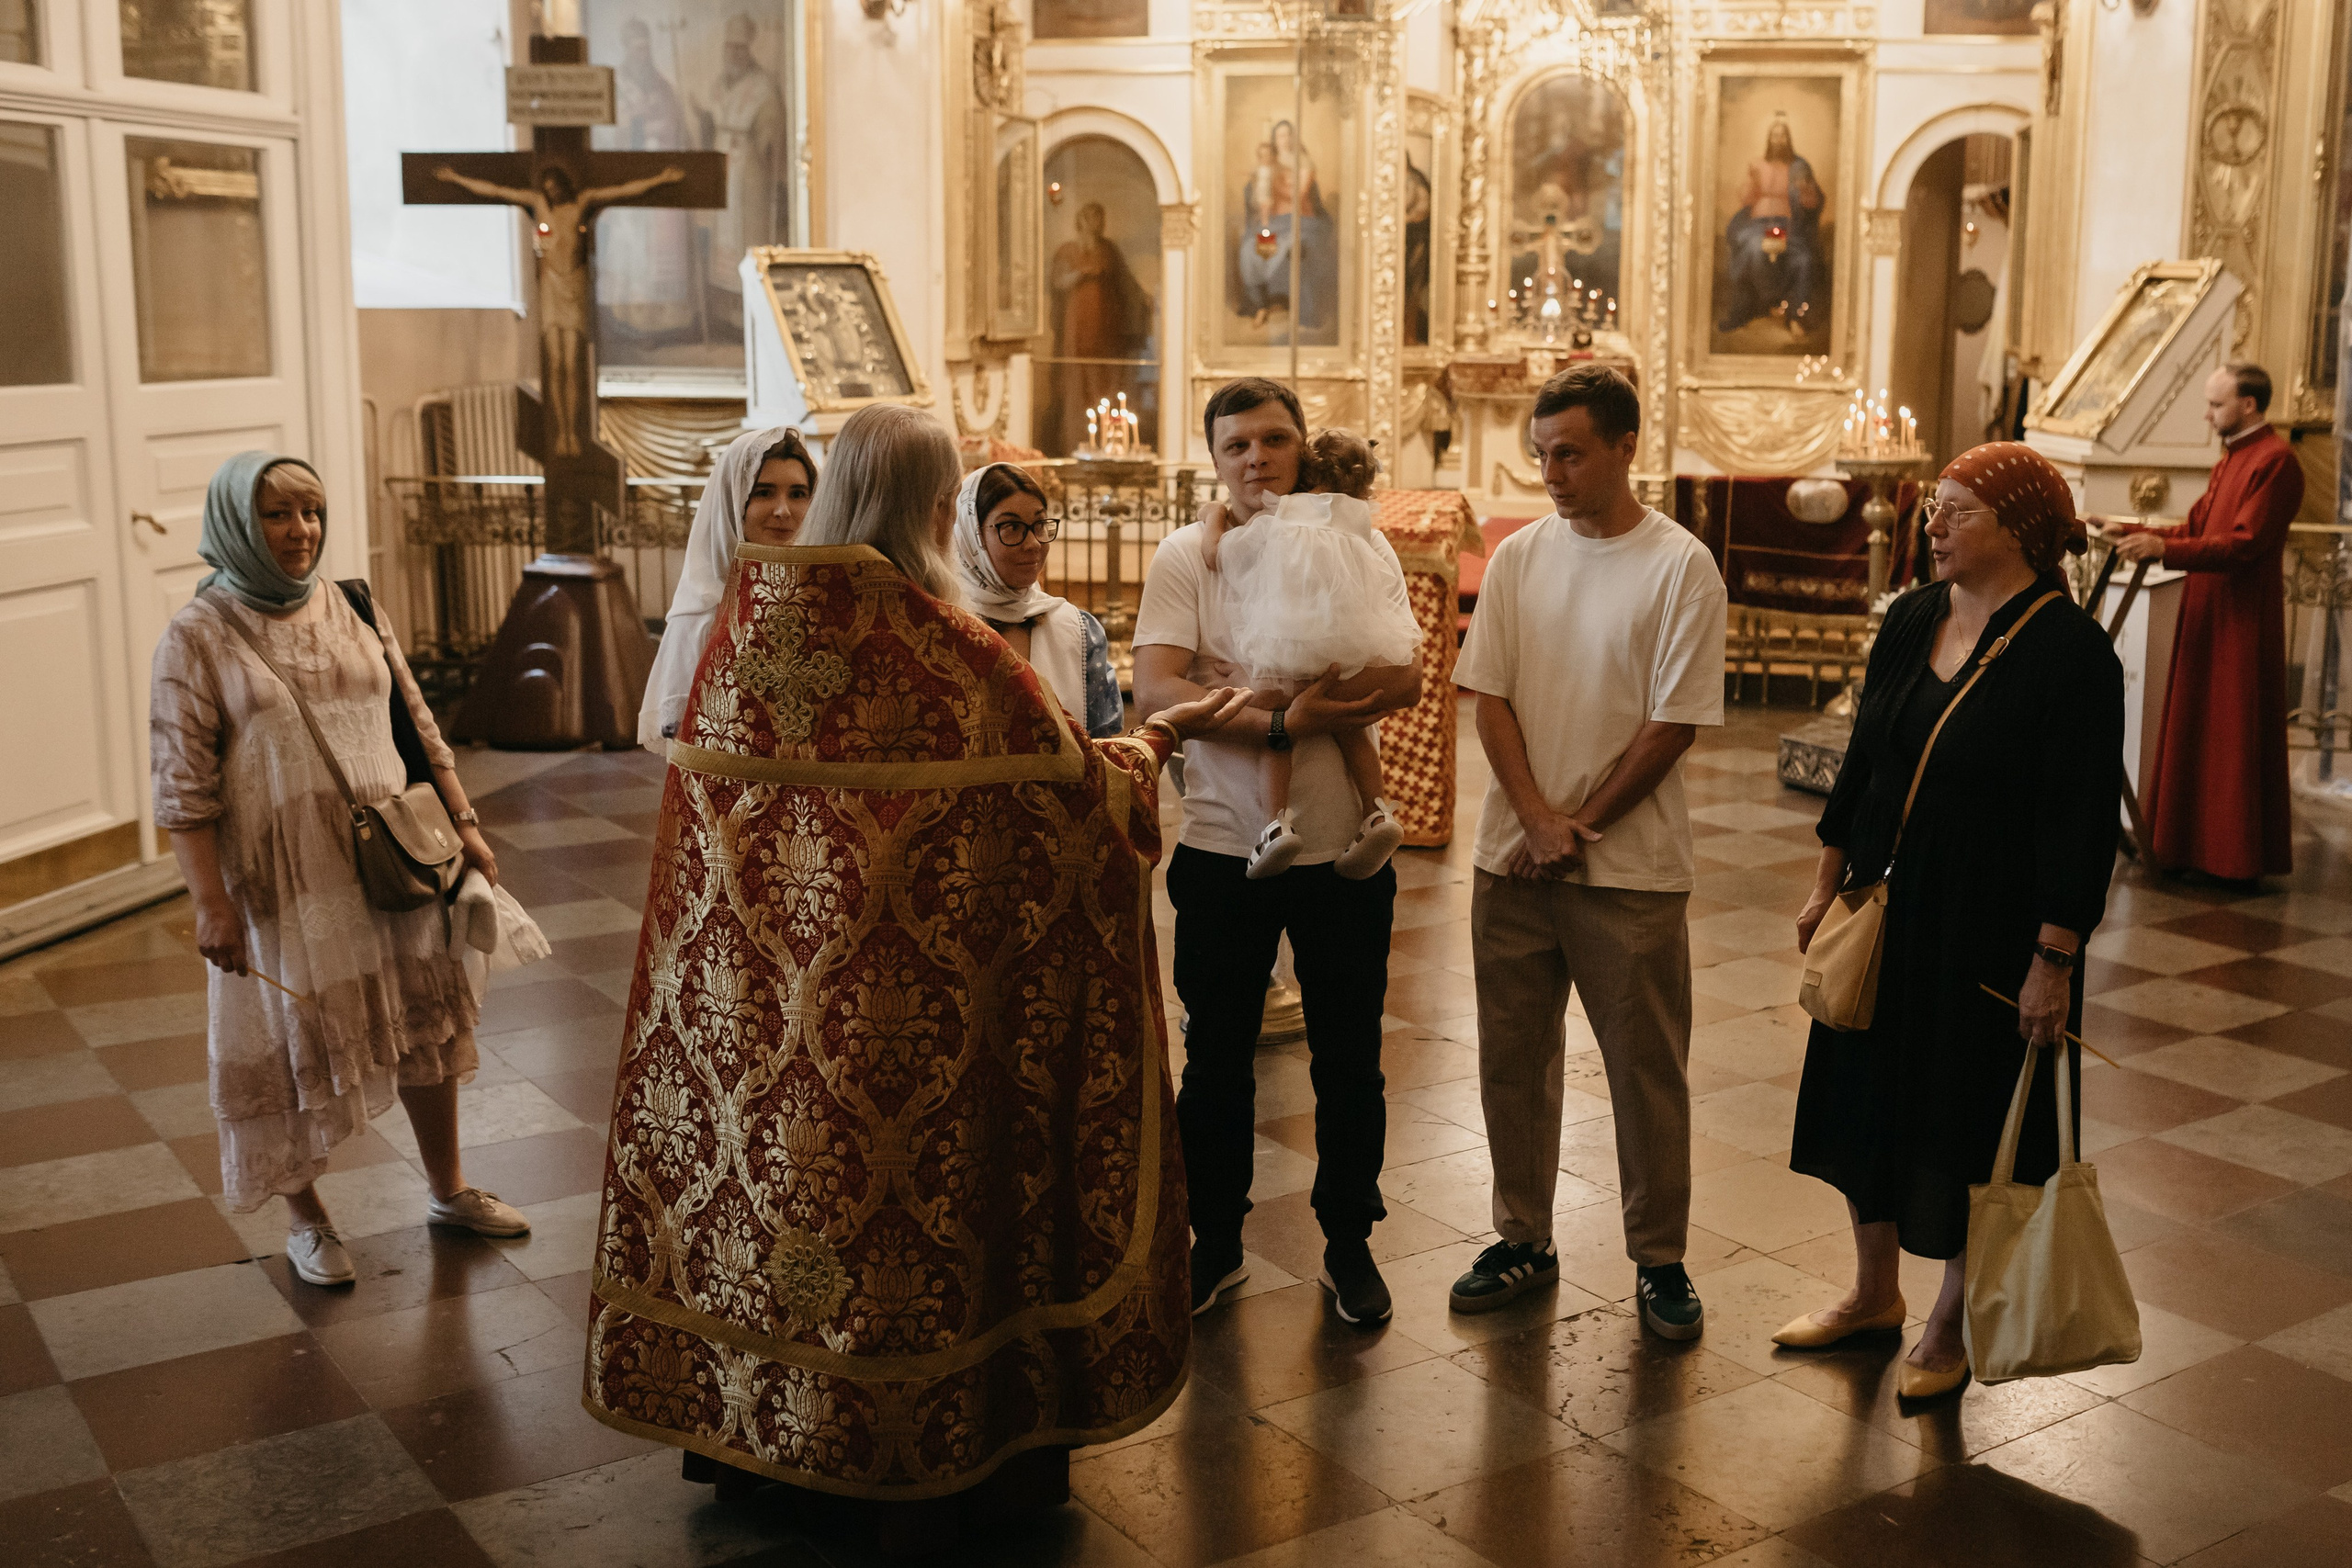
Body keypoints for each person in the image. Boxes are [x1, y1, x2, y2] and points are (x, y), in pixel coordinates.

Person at [584, 403, 1250, 1520]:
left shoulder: (756, 630)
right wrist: (1165, 741)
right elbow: (1082, 799)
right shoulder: (953, 650)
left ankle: (763, 1441)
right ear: (937, 508)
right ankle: (936, 1464)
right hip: (925, 1043)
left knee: (786, 1209)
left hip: (777, 1037)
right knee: (917, 1226)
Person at [1784, 441, 2123, 1402]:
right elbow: (1864, 765)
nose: (1932, 525)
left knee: (1966, 1117)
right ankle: (1871, 1294)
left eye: (1957, 511)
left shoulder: (2071, 653)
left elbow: (2078, 822)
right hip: (1887, 908)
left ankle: (1950, 1320)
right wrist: (1824, 885)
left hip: (1993, 928)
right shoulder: (1912, 617)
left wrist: (2052, 958)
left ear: (2018, 528)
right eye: (1932, 508)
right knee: (1868, 1097)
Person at [152, 453, 529, 1288]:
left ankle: (448, 1188)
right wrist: (211, 904)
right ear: (236, 524)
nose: (301, 532)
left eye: (312, 512)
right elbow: (182, 786)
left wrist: (464, 821)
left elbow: (415, 719)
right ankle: (308, 1220)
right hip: (286, 879)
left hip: (394, 855)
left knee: (429, 1018)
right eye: (278, 515)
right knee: (288, 1041)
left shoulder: (353, 601)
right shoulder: (198, 633)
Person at [1132, 378, 1422, 1325]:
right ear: (1212, 460)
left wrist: (1276, 713)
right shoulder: (1188, 556)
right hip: (1224, 847)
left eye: (1273, 440)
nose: (1256, 458)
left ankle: (1349, 1243)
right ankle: (1214, 1242)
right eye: (1235, 446)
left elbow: (1402, 674)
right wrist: (1294, 722)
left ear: (1302, 449)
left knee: (1349, 1060)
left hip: (1344, 856)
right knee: (1215, 1060)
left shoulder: (1355, 538)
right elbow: (1154, 691)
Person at [1444, 367, 1726, 1339]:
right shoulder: (1522, 557)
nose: (1551, 472)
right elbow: (1490, 697)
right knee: (1512, 1060)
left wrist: (1574, 827)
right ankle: (1521, 1235)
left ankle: (1659, 1259)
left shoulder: (1680, 565)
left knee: (1645, 1068)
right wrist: (1532, 820)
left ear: (1623, 448)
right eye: (1540, 455)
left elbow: (1671, 724)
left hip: (1629, 870)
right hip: (1511, 862)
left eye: (1568, 453)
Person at [2109, 362, 2303, 884]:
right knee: (2199, 727)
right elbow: (2194, 527)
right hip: (2206, 609)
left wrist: (2163, 549)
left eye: (2216, 404)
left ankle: (2232, 859)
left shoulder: (2276, 462)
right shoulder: (2233, 459)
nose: (2207, 413)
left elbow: (2244, 544)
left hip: (2239, 620)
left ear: (2248, 405)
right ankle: (2187, 849)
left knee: (2230, 733)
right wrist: (2126, 529)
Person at [1206, 428, 1418, 879]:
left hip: (1289, 645)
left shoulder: (1286, 512)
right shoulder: (1361, 521)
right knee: (1351, 728)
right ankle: (1377, 811)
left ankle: (1275, 825)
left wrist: (1212, 520)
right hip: (1350, 648)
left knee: (1277, 726)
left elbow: (1220, 555)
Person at [639, 425, 818, 745]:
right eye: (763, 493)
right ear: (734, 502)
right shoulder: (701, 612)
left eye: (798, 494)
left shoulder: (827, 595)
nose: (783, 510)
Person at [952, 462, 1125, 739]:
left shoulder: (1079, 631)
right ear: (972, 537)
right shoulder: (945, 628)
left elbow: (1101, 744)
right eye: (1011, 527)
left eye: (1040, 524)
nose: (1033, 543)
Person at [1046, 202, 1153, 457]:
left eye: (1100, 217)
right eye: (1092, 217)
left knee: (1104, 383)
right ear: (1081, 220)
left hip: (1106, 326)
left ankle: (1109, 443)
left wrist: (1143, 298)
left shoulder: (1109, 250)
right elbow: (1058, 282)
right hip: (1077, 326)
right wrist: (1081, 273)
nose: (1097, 222)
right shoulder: (1068, 251)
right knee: (1077, 383)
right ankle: (1076, 442)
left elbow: (1126, 281)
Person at [1716, 115, 1825, 342]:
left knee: (1802, 259)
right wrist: (1752, 181)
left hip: (1788, 226)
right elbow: (1746, 199)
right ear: (1769, 139)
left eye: (1782, 135)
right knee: (1754, 251)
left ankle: (1795, 316)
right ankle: (1762, 305)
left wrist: (1806, 189)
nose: (1778, 140)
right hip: (1757, 224)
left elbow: (1813, 203)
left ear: (1788, 139)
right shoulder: (1758, 164)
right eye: (1774, 135)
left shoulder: (1799, 167)